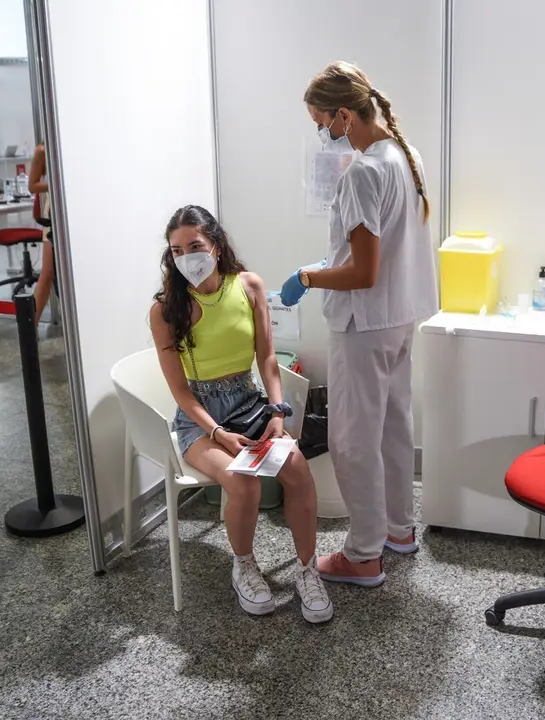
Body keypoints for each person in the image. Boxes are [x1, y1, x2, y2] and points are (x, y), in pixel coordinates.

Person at [279, 61, 438, 588]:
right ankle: (399, 530)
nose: (321, 134)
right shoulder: (404, 155)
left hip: (365, 325)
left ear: (344, 115)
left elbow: (363, 271)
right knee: (394, 428)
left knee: (351, 441)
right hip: (399, 319)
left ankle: (363, 554)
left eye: (321, 121)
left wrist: (309, 275)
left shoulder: (365, 170)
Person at [150, 205, 332, 622]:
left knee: (298, 469)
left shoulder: (248, 286)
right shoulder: (165, 310)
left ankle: (307, 570)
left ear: (215, 246)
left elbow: (267, 358)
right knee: (242, 482)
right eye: (176, 251)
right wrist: (217, 433)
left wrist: (276, 412)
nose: (186, 257)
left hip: (249, 404)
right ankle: (244, 565)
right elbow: (180, 392)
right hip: (199, 419)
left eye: (194, 246)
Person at [28, 144, 54, 324]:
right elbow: (32, 185)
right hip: (54, 213)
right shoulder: (42, 151)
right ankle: (29, 329)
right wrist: (57, 182)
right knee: (47, 273)